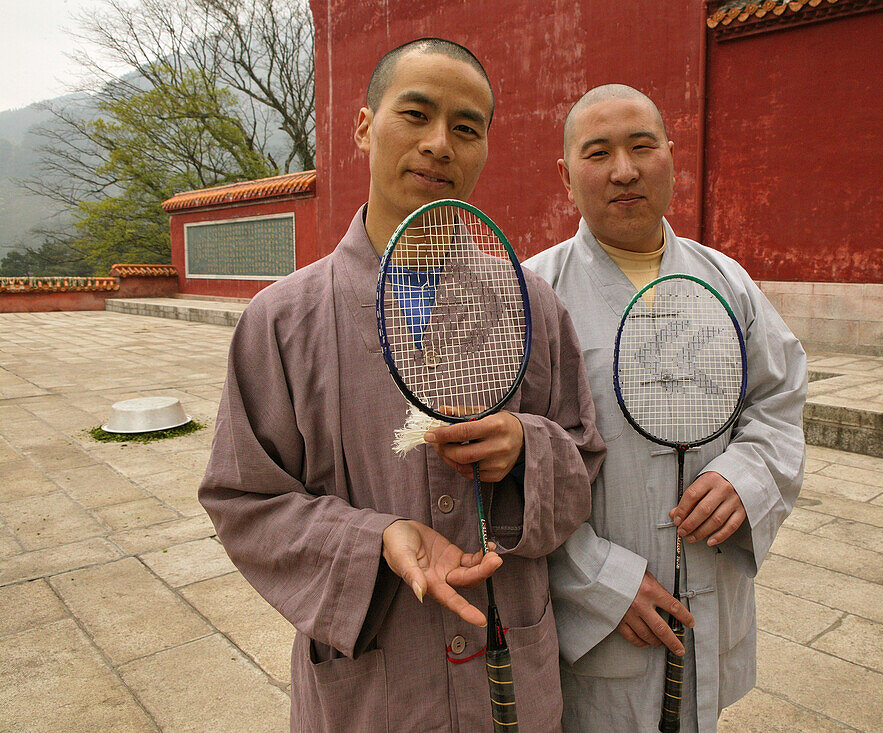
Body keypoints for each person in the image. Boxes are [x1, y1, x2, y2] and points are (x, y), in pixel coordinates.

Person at [199, 39, 604, 732]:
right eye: (415, 114)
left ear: (484, 149)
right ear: (364, 127)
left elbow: (583, 456)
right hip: (371, 692)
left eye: (466, 128)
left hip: (509, 672)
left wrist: (526, 450)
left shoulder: (531, 303)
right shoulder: (282, 320)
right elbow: (243, 498)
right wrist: (373, 539)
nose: (439, 144)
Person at [525, 84, 807, 733]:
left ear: (671, 159)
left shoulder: (727, 281)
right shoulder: (535, 295)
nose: (624, 170)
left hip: (707, 595)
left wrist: (749, 478)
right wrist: (598, 580)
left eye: (641, 146)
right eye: (599, 153)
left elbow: (778, 398)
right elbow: (513, 469)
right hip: (597, 625)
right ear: (566, 177)